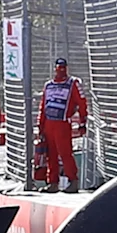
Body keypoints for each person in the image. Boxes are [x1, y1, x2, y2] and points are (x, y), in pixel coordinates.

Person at [32, 58, 90, 192]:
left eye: (63, 67)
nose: (60, 70)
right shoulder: (48, 85)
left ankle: (73, 181)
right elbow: (43, 107)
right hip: (48, 124)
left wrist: (82, 122)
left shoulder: (73, 83)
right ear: (54, 69)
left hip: (63, 123)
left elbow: (82, 103)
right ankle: (52, 182)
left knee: (65, 153)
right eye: (58, 67)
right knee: (50, 154)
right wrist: (40, 126)